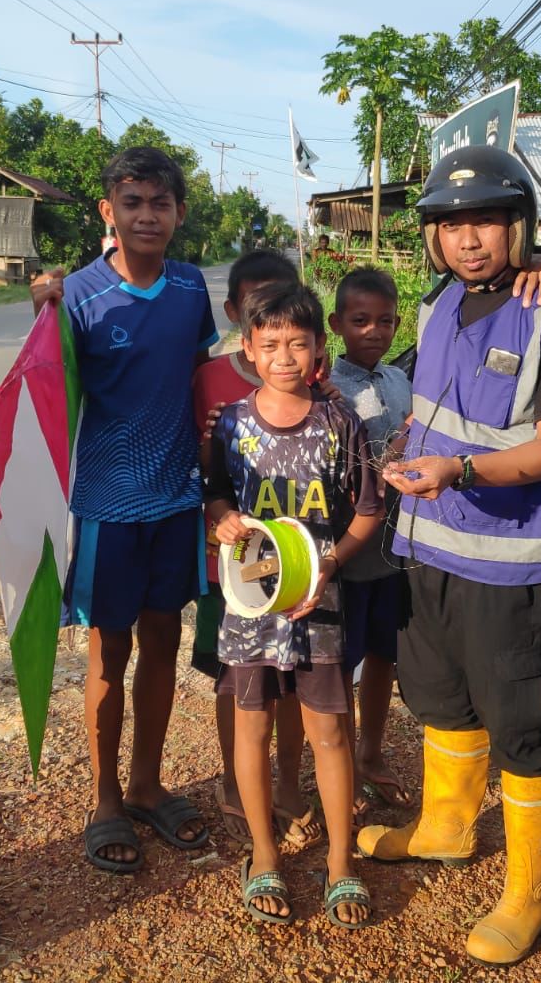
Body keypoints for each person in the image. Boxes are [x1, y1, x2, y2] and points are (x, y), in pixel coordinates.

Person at [363, 145, 541, 967]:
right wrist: (402, 450)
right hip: (422, 544)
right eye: (451, 225)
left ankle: (531, 889)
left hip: (504, 561)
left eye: (487, 223)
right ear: (431, 237)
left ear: (519, 229)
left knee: (520, 726)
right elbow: (431, 412)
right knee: (437, 697)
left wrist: (460, 469)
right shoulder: (436, 308)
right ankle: (445, 827)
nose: (468, 240)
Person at [50, 146, 218, 873]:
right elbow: (43, 389)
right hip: (107, 509)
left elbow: (210, 379)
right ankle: (105, 798)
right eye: (132, 203)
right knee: (107, 656)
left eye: (160, 203)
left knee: (162, 646)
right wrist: (40, 308)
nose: (146, 215)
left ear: (179, 214)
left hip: (176, 500)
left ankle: (148, 785)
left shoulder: (189, 289)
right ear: (108, 213)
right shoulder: (75, 297)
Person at [206, 281, 383, 927]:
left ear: (318, 350)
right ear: (248, 348)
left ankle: (340, 863)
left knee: (331, 732)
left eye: (297, 344)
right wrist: (222, 519)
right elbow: (216, 497)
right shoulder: (231, 424)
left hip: (321, 605)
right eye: (270, 343)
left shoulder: (340, 423)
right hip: (250, 606)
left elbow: (367, 513)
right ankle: (264, 853)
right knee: (250, 726)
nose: (283, 356)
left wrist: (329, 565)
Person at [191, 249, 323, 846]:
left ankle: (289, 783)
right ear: (238, 324)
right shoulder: (210, 381)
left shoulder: (317, 380)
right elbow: (203, 473)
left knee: (295, 681)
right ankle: (233, 779)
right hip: (237, 571)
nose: (281, 347)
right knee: (234, 681)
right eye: (258, 314)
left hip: (301, 572)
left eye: (291, 330)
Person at [327, 267, 414, 811]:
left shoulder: (400, 381)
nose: (373, 332)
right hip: (349, 549)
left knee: (386, 655)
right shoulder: (326, 387)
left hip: (398, 548)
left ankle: (370, 751)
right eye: (360, 321)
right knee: (338, 664)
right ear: (337, 324)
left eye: (384, 321)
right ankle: (334, 764)